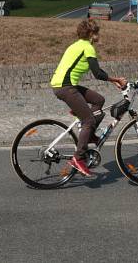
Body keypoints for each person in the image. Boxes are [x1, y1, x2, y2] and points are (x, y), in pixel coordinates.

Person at [50, 19, 126, 176]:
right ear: (91, 34)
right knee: (89, 120)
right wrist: (116, 80)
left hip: (62, 85)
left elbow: (96, 69)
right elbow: (97, 74)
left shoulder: (76, 45)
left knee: (99, 100)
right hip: (66, 88)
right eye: (97, 32)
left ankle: (89, 133)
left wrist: (113, 81)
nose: (99, 36)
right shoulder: (88, 47)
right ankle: (78, 158)